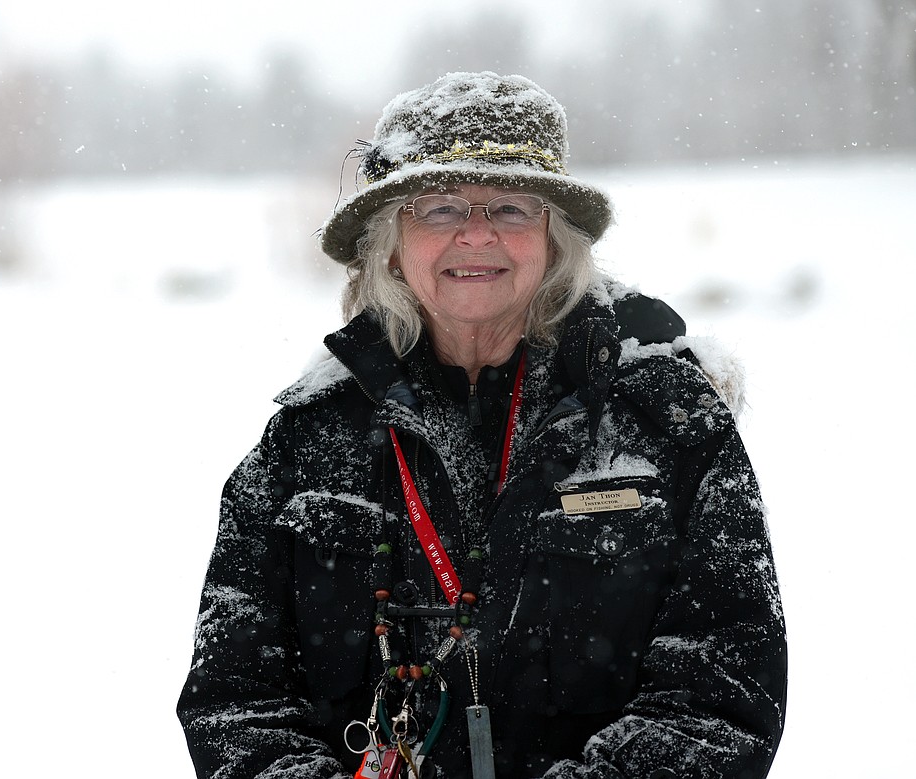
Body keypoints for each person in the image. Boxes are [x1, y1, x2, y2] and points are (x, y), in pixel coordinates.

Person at [176, 72, 787, 779]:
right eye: (438, 208)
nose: (476, 232)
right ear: (391, 241)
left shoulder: (668, 423)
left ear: (555, 237)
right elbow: (235, 705)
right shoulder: (304, 443)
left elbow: (722, 691)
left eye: (509, 205)